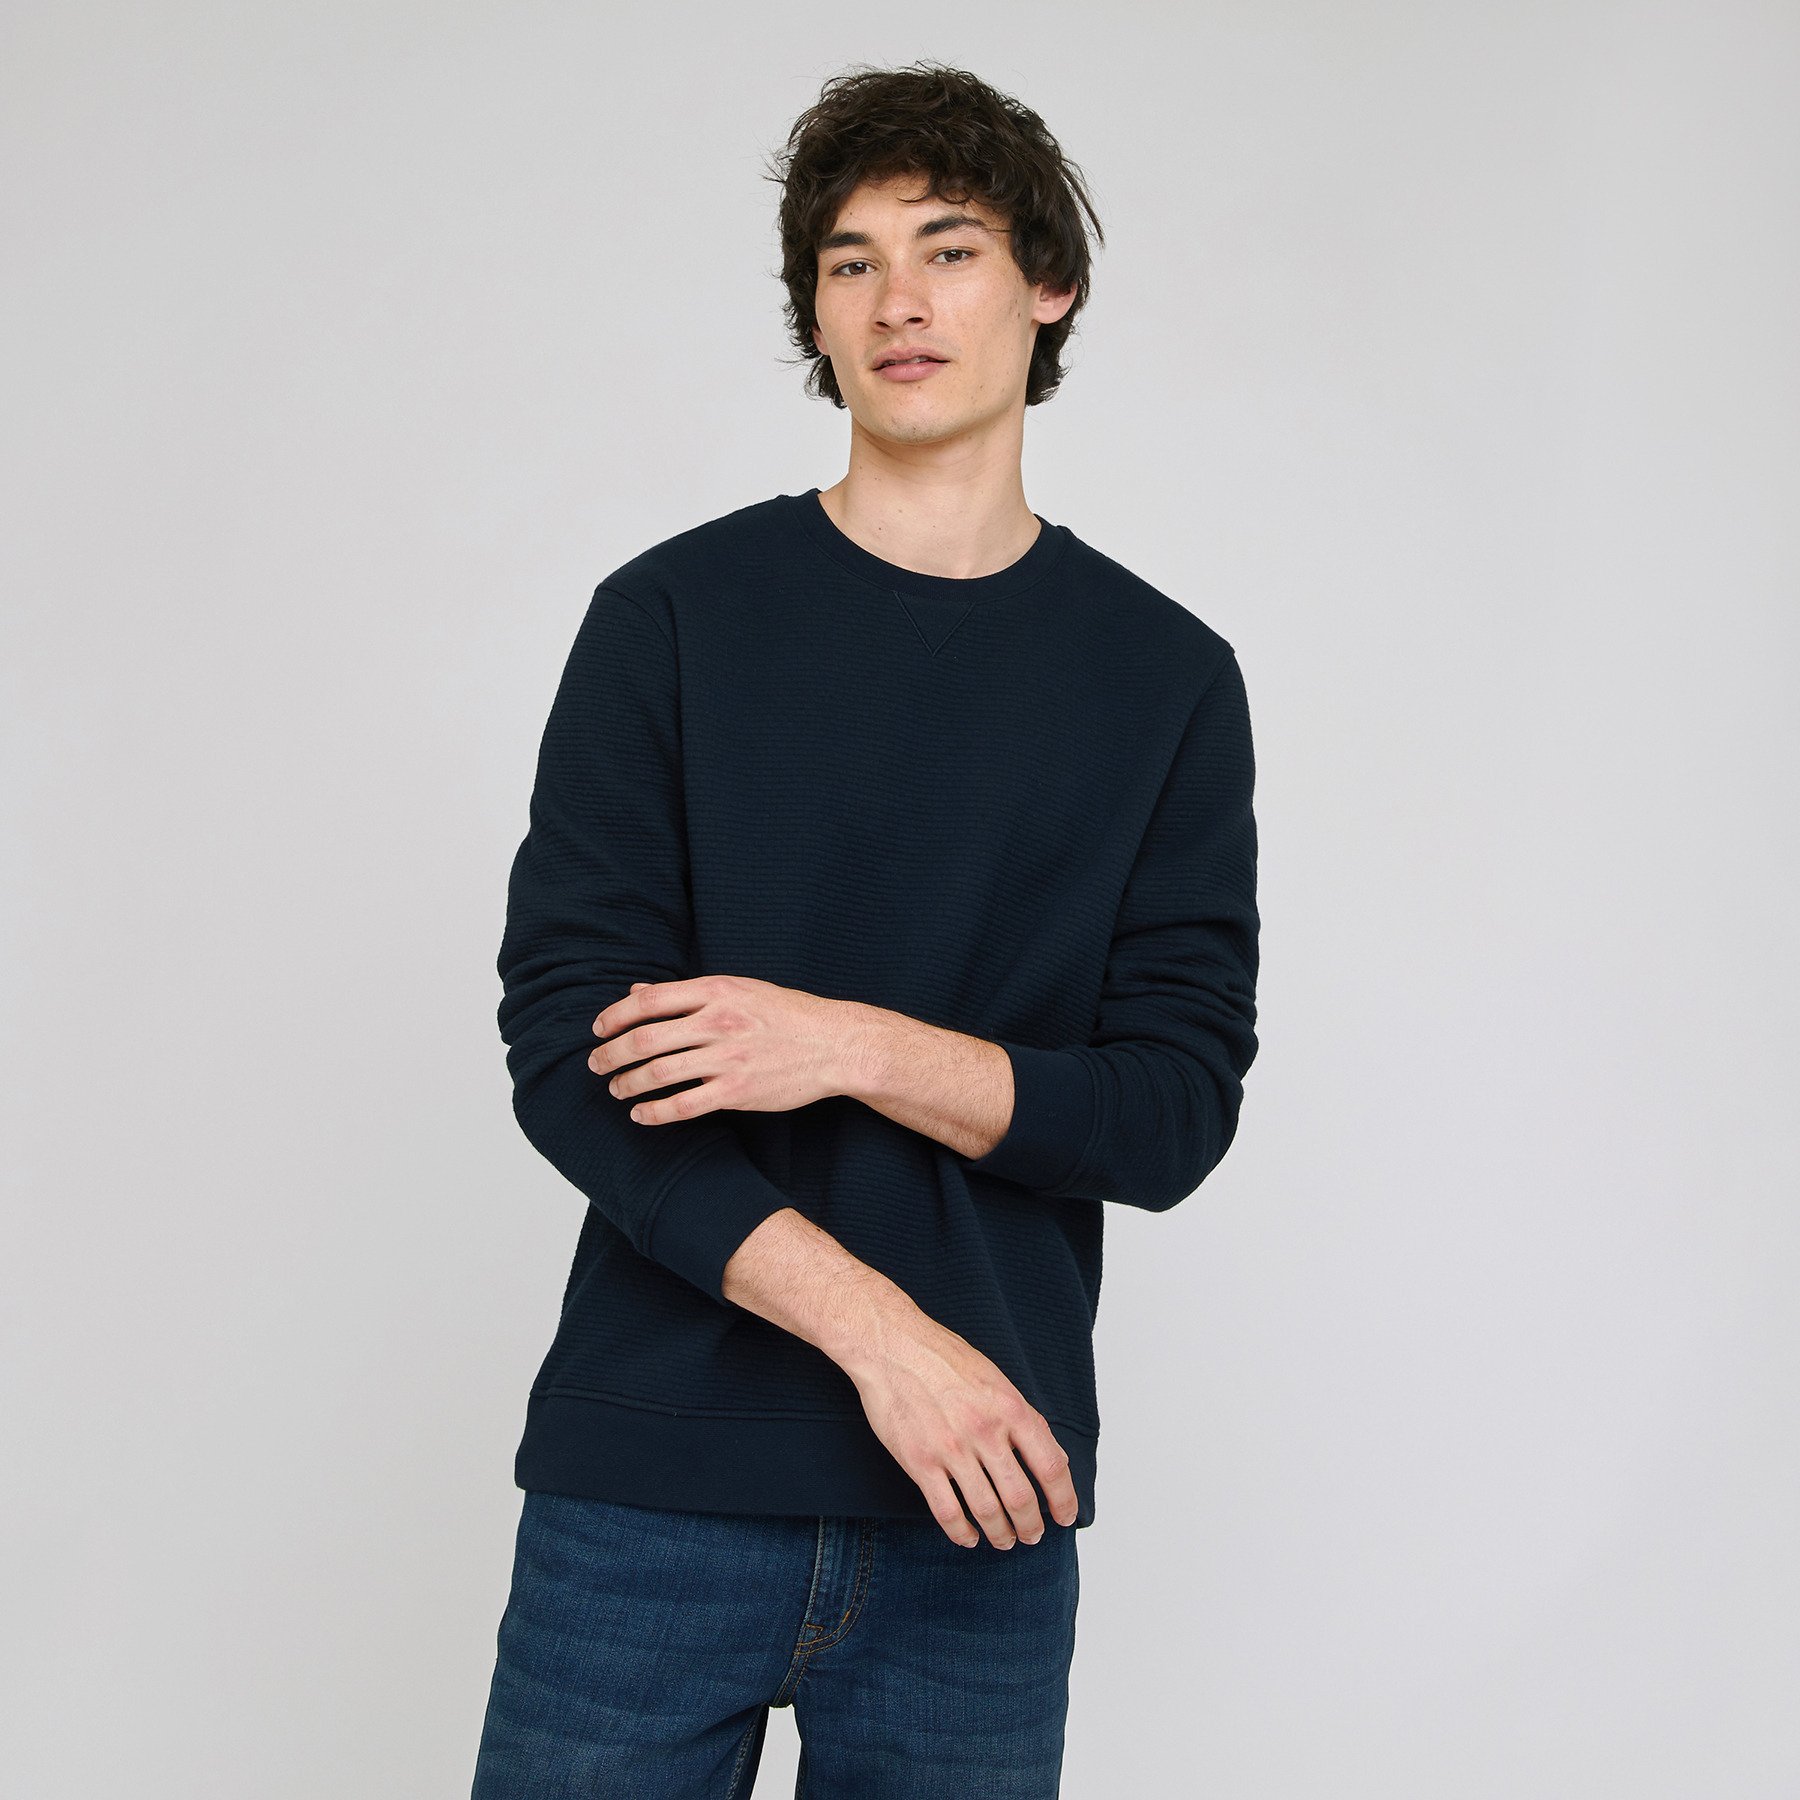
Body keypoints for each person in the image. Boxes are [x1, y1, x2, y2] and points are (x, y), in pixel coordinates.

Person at [470, 59, 1260, 1800]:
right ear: (816, 317)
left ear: (1048, 287)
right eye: (850, 261)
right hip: (657, 1482)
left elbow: (1168, 1113)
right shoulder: (672, 618)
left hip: (982, 1501)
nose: (898, 298)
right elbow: (570, 1055)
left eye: (950, 247)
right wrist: (884, 1339)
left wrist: (847, 1044)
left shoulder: (1165, 680)